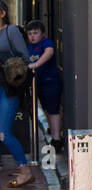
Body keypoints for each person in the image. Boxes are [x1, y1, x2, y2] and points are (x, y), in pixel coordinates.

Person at [0, 0, 34, 189]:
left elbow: (25, 57)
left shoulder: (11, 31)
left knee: (3, 132)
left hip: (9, 87)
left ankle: (25, 170)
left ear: (2, 12)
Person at [24, 21, 62, 153]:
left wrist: (36, 64)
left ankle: (57, 140)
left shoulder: (46, 43)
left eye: (35, 33)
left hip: (50, 80)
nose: (32, 36)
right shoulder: (29, 47)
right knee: (46, 109)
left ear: (42, 33)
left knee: (53, 110)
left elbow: (49, 52)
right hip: (38, 83)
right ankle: (53, 134)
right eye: (29, 34)